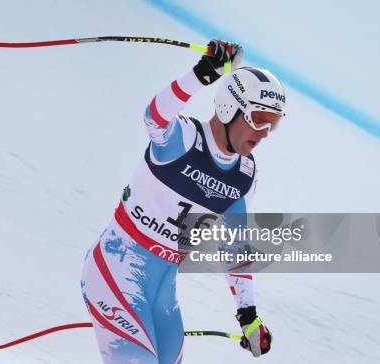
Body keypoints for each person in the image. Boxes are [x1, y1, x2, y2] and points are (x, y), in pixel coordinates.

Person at [81, 39, 285, 363]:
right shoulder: (184, 140)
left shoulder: (244, 176)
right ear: (230, 107)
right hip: (116, 270)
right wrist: (200, 75)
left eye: (273, 123)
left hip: (163, 293)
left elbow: (233, 247)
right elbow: (154, 117)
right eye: (259, 118)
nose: (264, 132)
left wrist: (248, 315)